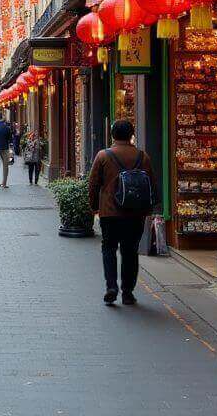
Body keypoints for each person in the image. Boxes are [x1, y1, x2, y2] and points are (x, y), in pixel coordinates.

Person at [87, 119, 158, 305]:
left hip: (110, 212)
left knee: (109, 248)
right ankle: (128, 291)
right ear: (131, 134)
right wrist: (151, 208)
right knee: (130, 251)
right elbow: (151, 184)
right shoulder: (142, 156)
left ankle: (111, 286)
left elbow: (93, 184)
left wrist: (93, 206)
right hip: (135, 213)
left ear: (113, 135)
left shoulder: (103, 156)